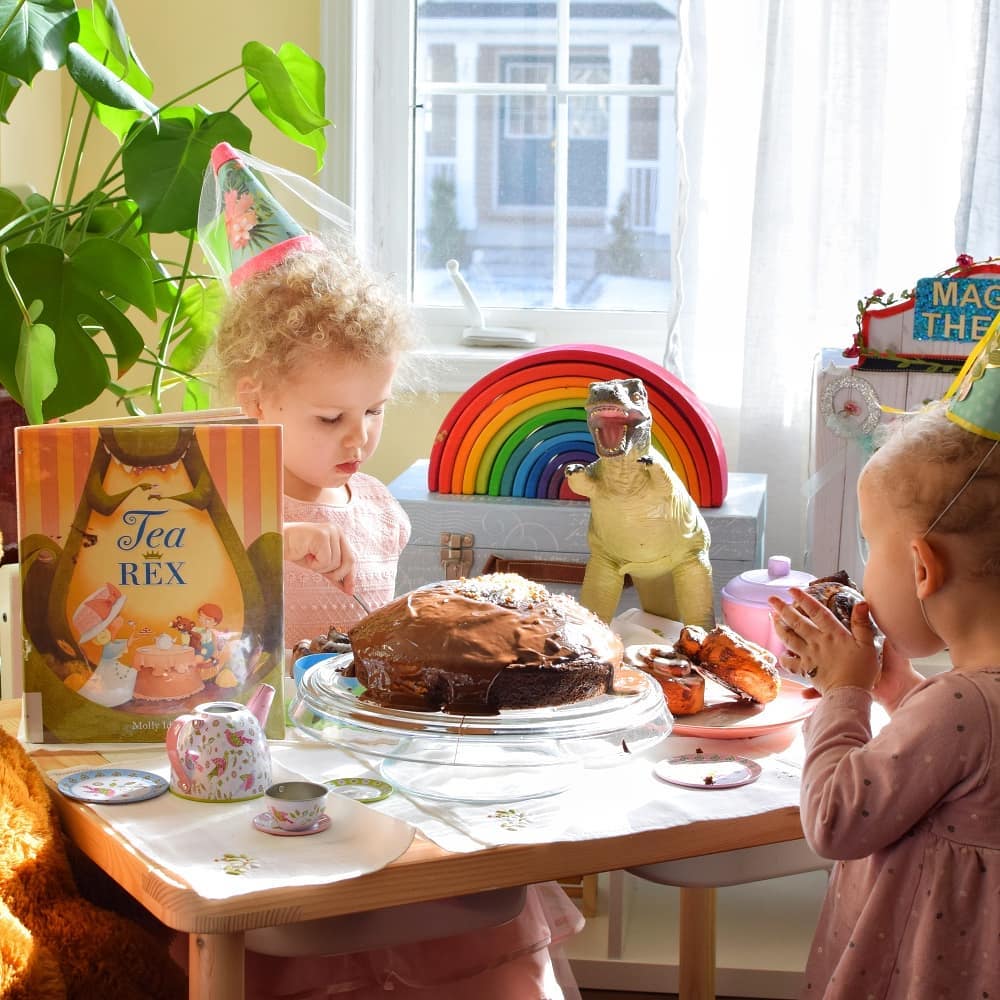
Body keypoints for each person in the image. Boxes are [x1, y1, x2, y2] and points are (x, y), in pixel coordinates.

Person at [197, 143, 584, 1000]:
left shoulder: (375, 505)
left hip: (386, 769)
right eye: (330, 416)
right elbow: (197, 621)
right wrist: (271, 542)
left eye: (373, 409)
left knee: (464, 908)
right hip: (276, 782)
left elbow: (386, 635)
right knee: (313, 948)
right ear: (256, 398)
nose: (358, 437)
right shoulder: (223, 506)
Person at [767, 323, 1000, 999]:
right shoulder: (968, 702)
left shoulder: (960, 705)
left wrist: (843, 692)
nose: (864, 568)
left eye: (870, 547)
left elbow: (836, 820)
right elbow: (963, 768)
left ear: (923, 568)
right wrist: (899, 691)